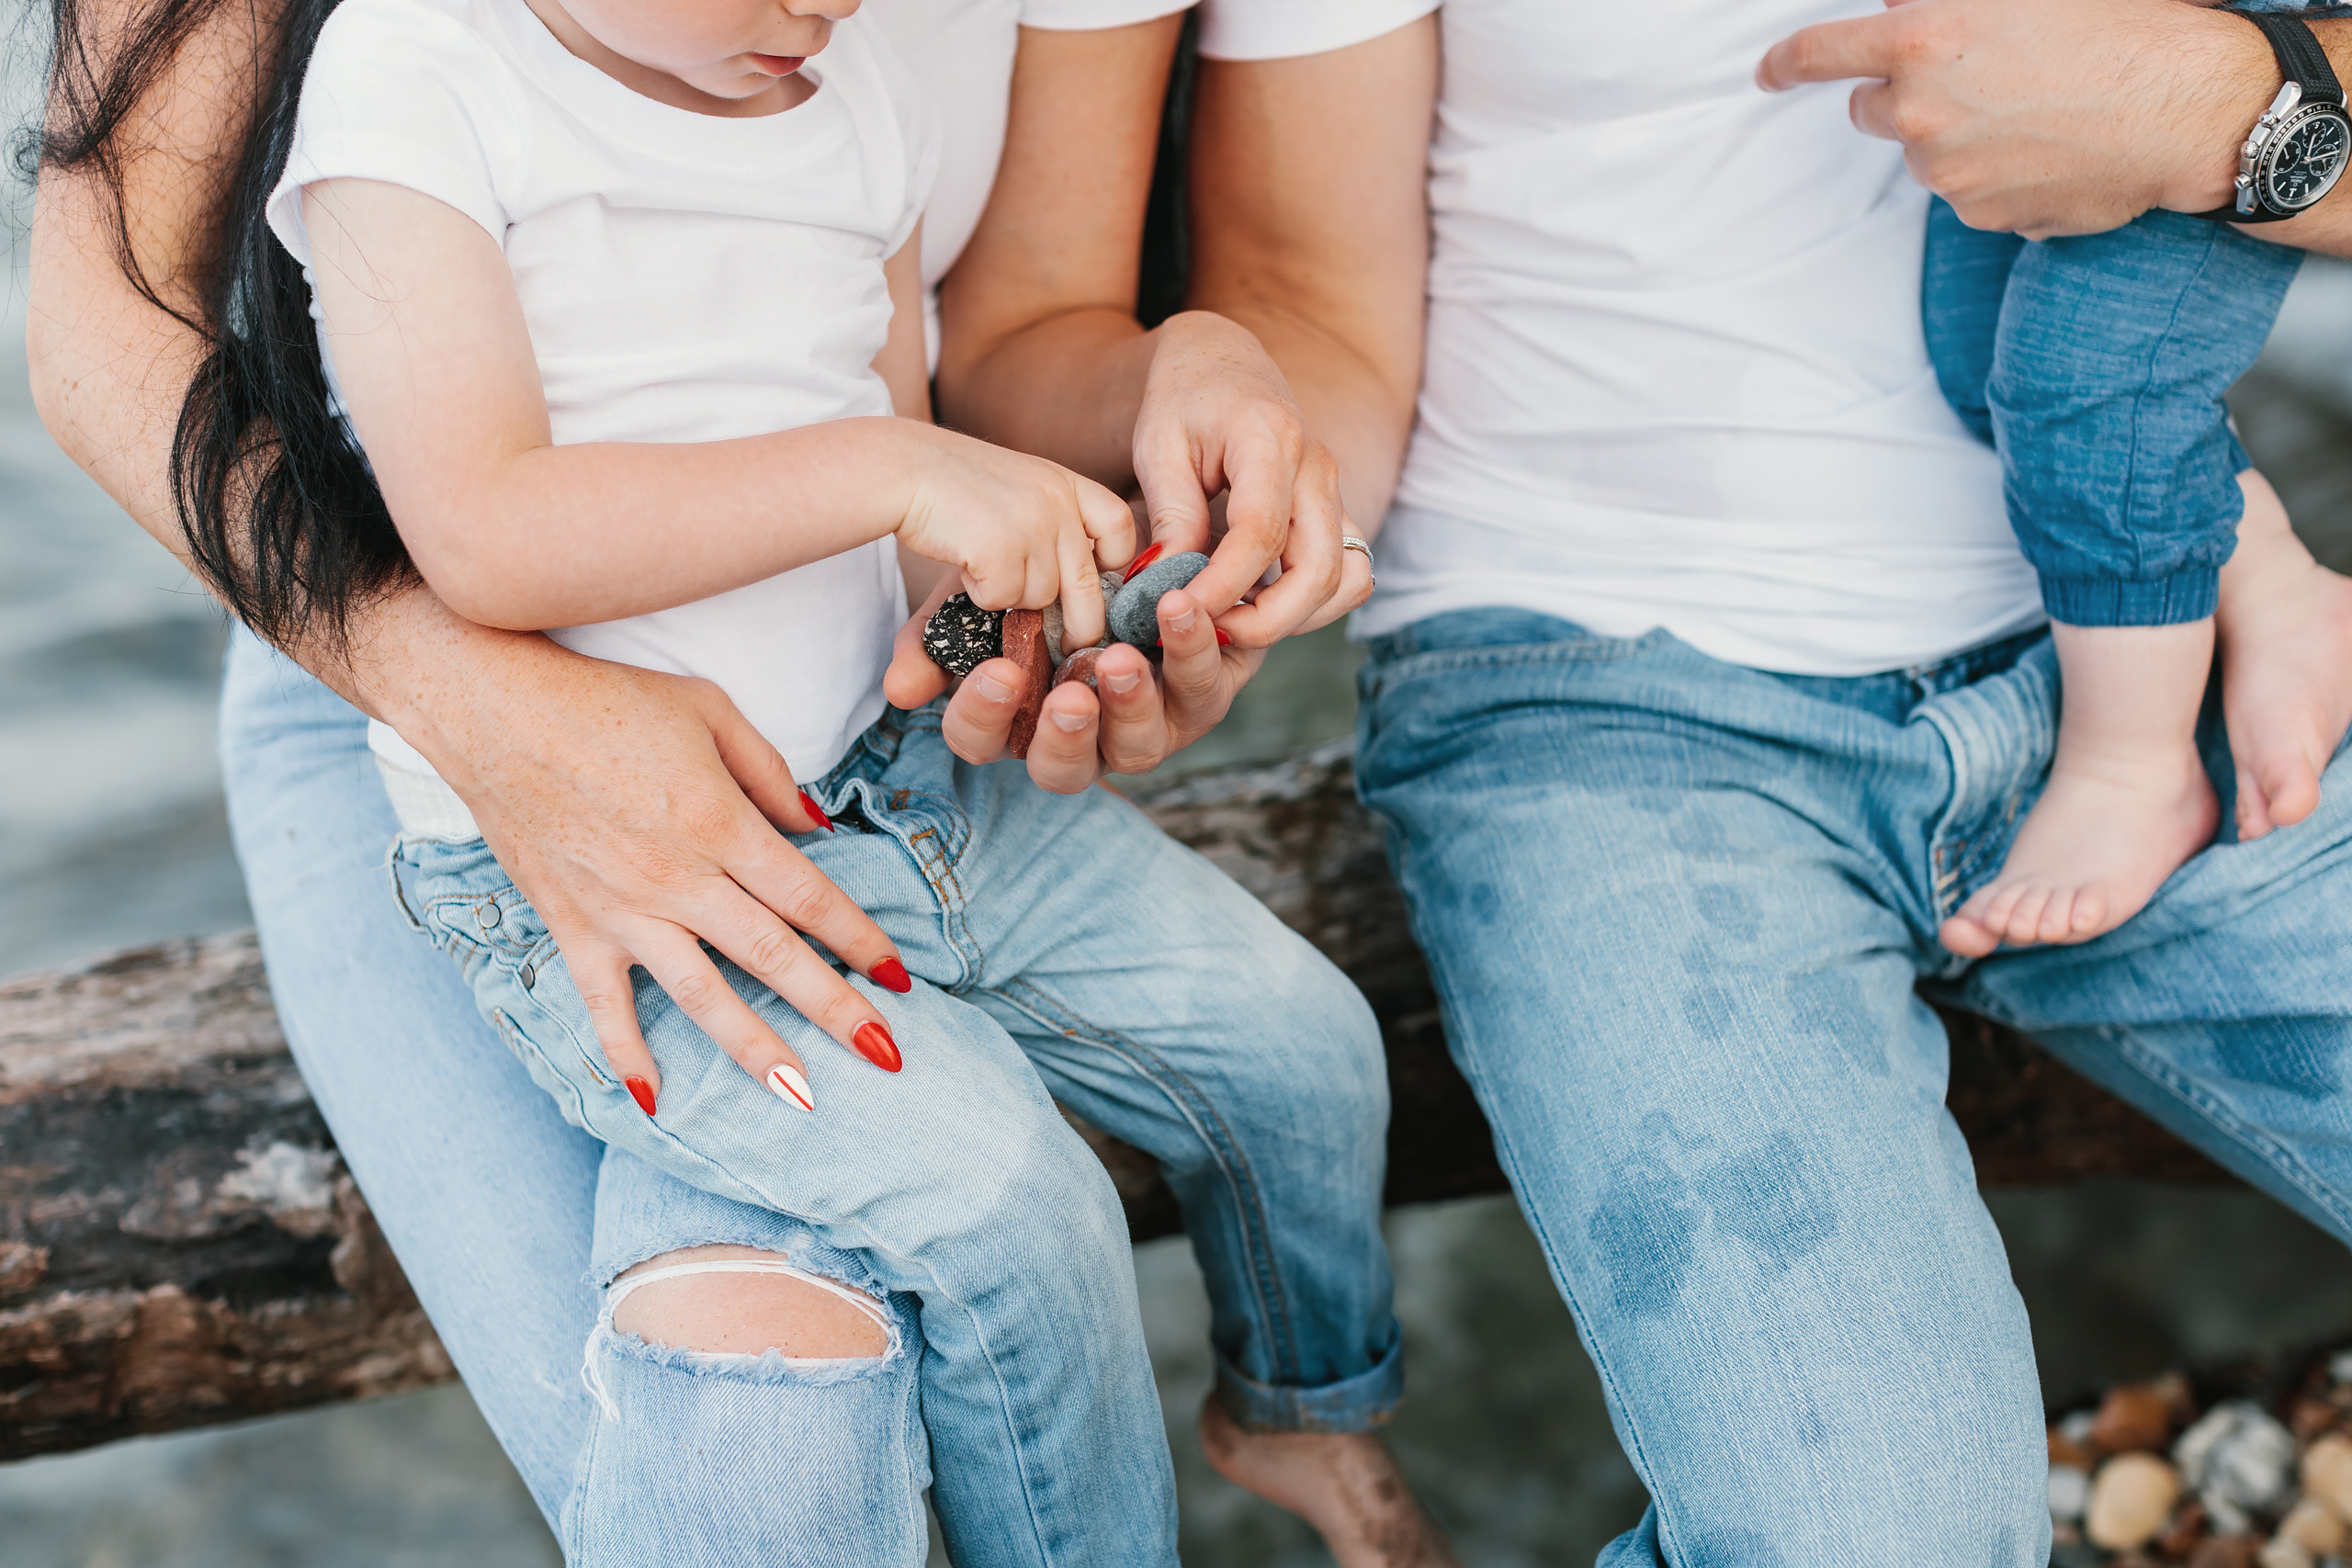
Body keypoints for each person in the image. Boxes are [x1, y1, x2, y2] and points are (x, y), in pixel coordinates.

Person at [28, 1, 1447, 1563]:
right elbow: (483, 528)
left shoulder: (835, 75)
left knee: (1307, 1044)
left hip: (889, 768)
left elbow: (906, 418)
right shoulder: (408, 78)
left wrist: (1002, 618)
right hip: (482, 761)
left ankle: (1306, 1406)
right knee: (1006, 1217)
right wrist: (893, 479)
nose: (831, 5)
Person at [1014, 1, 2352, 1561]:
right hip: (1601, 706)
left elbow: (2214, 128)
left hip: (2149, 630)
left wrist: (2249, 114)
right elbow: (1316, 293)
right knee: (1863, 1535)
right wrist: (1253, 538)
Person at [1918, 4, 2335, 953]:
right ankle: (2271, 581)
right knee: (1974, 345)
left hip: (2216, 31)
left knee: (2089, 375)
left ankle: (2133, 768)